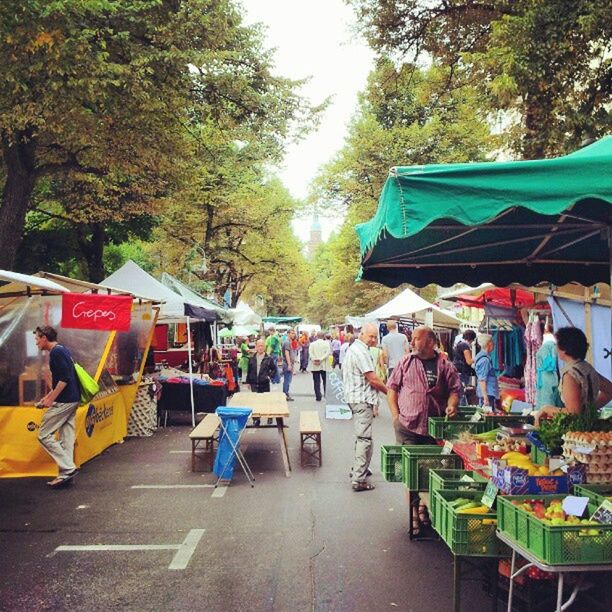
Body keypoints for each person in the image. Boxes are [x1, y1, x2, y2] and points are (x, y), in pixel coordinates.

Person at [387, 326, 460, 533]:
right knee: (410, 473)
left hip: (433, 429)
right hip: (407, 427)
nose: (412, 342)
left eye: (417, 338)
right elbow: (391, 389)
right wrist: (395, 416)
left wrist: (452, 405)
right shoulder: (405, 362)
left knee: (429, 472)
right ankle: (412, 515)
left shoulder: (445, 365)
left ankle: (423, 509)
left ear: (429, 341)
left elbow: (455, 390)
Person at [34, 326, 81, 488]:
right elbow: (62, 378)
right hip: (72, 398)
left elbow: (65, 379)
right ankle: (66, 474)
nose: (36, 343)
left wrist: (50, 400)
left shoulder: (56, 352)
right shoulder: (62, 350)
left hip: (65, 400)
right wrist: (47, 398)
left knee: (44, 435)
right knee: (66, 437)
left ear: (45, 338)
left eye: (37, 339)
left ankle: (68, 468)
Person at [343, 323, 387, 492]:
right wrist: (389, 392)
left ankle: (359, 469)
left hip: (356, 397)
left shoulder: (356, 348)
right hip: (361, 399)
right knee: (364, 439)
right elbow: (372, 378)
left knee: (364, 437)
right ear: (361, 334)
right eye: (371, 336)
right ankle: (358, 479)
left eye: (376, 336)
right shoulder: (360, 351)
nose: (374, 339)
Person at [535, 327, 612, 425]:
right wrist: (590, 408)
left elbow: (574, 413)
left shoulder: (571, 375)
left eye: (557, 344)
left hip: (576, 432)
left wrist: (547, 409)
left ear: (564, 349)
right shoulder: (587, 368)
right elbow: (609, 390)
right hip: (591, 426)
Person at [474, 333, 500, 411]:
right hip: (487, 393)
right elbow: (482, 379)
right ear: (488, 343)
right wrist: (485, 397)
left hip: (487, 392)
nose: (494, 343)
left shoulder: (481, 356)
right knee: (488, 414)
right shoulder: (485, 360)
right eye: (492, 341)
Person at [452, 329, 477, 405]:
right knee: (462, 393)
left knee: (460, 391)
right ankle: (462, 409)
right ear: (472, 338)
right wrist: (478, 358)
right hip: (462, 372)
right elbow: (469, 361)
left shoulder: (459, 344)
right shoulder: (465, 346)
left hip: (458, 371)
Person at [309, 331, 331, 401]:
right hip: (324, 365)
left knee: (316, 382)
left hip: (315, 365)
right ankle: (326, 395)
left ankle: (318, 396)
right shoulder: (326, 344)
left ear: (316, 336)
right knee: (325, 381)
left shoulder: (312, 344)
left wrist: (315, 359)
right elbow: (328, 353)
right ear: (324, 336)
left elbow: (310, 353)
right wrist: (321, 359)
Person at [282, 329, 298, 401]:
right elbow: (286, 353)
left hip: (288, 363)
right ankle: (285, 394)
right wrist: (289, 364)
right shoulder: (287, 342)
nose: (293, 335)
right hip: (286, 364)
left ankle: (285, 394)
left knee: (288, 380)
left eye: (294, 333)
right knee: (287, 380)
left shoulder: (288, 342)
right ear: (288, 334)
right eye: (292, 333)